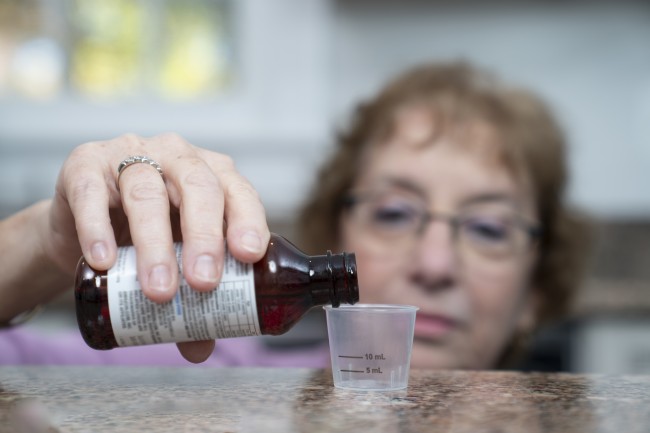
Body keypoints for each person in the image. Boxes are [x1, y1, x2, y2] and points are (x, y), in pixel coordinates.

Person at [0, 61, 590, 369]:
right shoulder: (219, 368)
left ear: (536, 290)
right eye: (392, 213)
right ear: (337, 237)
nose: (434, 265)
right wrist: (42, 246)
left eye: (488, 228)